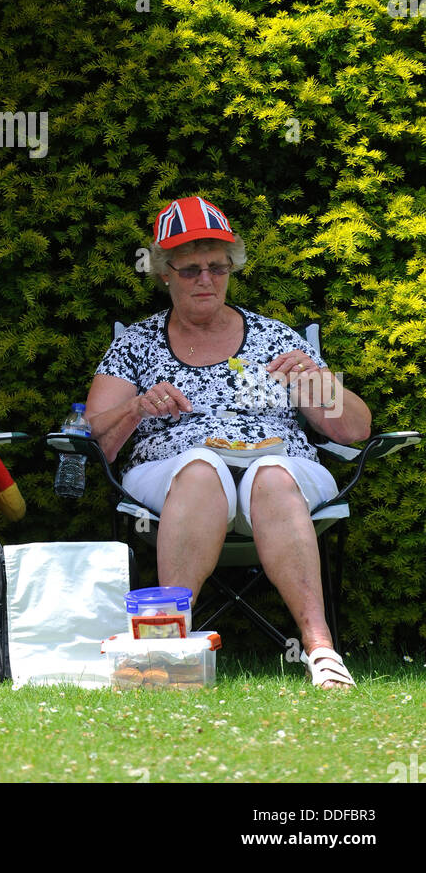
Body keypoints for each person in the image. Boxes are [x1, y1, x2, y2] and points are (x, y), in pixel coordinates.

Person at [85, 196, 371, 691]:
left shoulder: (274, 338)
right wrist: (136, 407)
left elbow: (355, 430)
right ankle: (171, 649)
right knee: (199, 466)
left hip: (281, 467)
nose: (205, 280)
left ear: (231, 268)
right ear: (163, 273)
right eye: (191, 269)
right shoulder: (135, 344)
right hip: (172, 473)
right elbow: (97, 438)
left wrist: (317, 379)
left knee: (271, 474)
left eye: (218, 267)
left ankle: (321, 650)